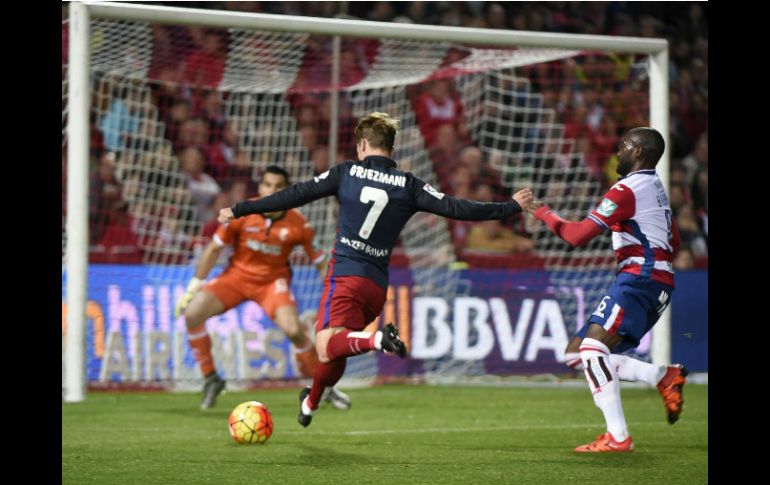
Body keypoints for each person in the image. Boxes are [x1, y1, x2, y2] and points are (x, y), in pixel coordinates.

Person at [219, 112, 534, 427]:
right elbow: (458, 208)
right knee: (335, 352)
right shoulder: (410, 185)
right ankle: (311, 403)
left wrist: (240, 209)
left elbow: (293, 195)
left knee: (325, 345)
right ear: (391, 150)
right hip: (375, 286)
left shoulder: (346, 172)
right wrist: (511, 206)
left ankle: (376, 341)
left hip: (345, 275)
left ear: (363, 145)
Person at [529, 127, 687, 452]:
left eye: (624, 146)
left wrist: (541, 212)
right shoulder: (656, 188)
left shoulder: (627, 190)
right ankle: (662, 376)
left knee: (592, 350)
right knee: (577, 354)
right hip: (656, 280)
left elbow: (576, 236)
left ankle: (618, 437)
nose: (619, 152)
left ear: (638, 152)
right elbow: (676, 240)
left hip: (639, 277)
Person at [175, 165, 351, 411]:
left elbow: (321, 262)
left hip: (272, 284)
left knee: (294, 330)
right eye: (267, 185)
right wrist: (193, 287)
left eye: (278, 186)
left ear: (287, 190)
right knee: (192, 314)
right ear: (260, 187)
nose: (271, 190)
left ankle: (325, 387)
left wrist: (336, 296)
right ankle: (211, 379)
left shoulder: (299, 224)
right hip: (236, 278)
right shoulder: (243, 213)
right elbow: (214, 249)